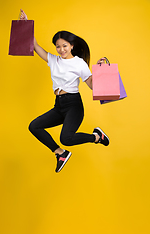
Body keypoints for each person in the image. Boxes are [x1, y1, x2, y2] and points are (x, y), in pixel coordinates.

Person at [20, 9, 109, 173]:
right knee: (34, 126)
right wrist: (25, 24)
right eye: (58, 46)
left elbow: (91, 84)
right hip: (59, 106)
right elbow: (34, 45)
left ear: (72, 46)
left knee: (66, 138)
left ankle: (97, 137)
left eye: (65, 46)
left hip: (73, 105)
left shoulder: (79, 63)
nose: (61, 50)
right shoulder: (53, 60)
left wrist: (100, 71)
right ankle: (60, 153)